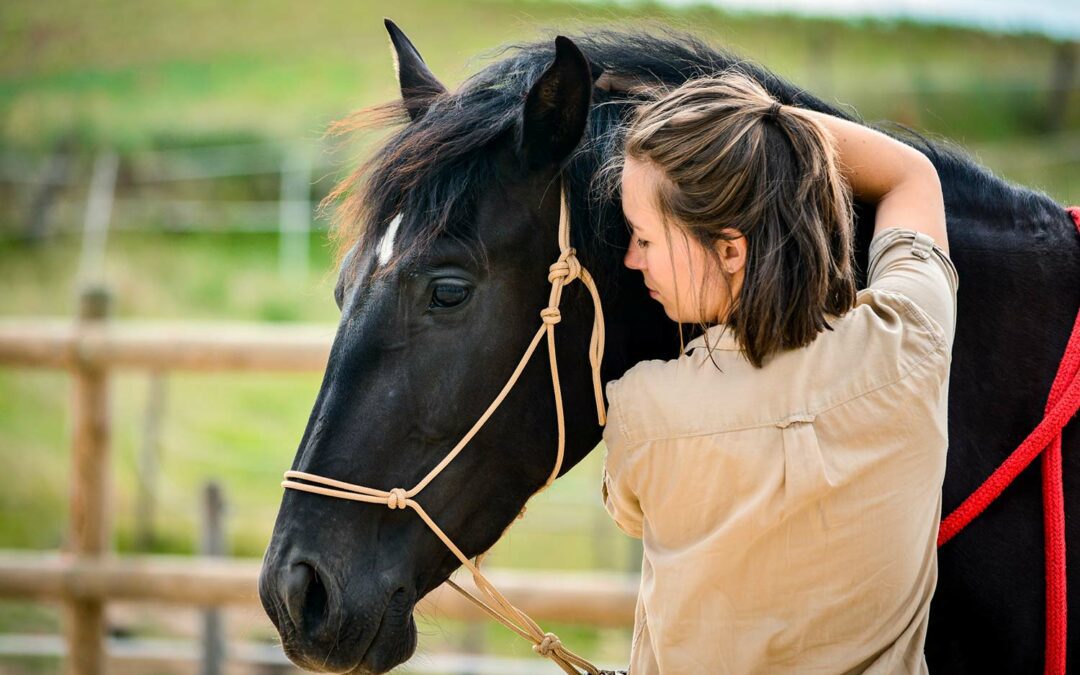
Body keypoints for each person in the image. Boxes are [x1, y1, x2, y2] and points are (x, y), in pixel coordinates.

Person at [599, 70, 959, 674]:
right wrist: (764, 135)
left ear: (730, 251)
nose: (633, 260)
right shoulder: (912, 340)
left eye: (644, 238)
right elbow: (910, 175)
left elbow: (629, 514)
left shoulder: (643, 412)